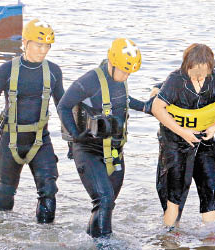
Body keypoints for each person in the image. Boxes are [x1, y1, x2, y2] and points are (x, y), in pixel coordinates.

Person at [57, 38, 151, 240]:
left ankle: (92, 241)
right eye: (124, 71)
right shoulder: (90, 80)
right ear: (112, 61)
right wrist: (75, 135)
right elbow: (63, 106)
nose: (125, 76)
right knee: (104, 199)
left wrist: (145, 106)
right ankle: (106, 245)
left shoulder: (121, 78)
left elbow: (122, 100)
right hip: (88, 150)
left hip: (115, 151)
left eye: (129, 73)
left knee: (106, 205)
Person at [0, 19, 63, 224]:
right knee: (6, 192)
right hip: (10, 139)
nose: (44, 51)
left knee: (49, 190)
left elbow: (63, 106)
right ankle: (5, 234)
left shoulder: (53, 71)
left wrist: (73, 139)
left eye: (47, 46)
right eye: (39, 45)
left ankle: (45, 237)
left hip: (40, 140)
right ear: (25, 42)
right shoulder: (7, 70)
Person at [151, 43, 215, 228]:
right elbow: (156, 108)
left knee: (212, 188)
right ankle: (170, 235)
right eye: (193, 71)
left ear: (210, 67)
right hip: (175, 139)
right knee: (175, 192)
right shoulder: (175, 80)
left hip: (204, 138)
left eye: (202, 71)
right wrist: (183, 132)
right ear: (186, 65)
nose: (197, 76)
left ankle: (212, 237)